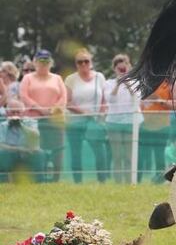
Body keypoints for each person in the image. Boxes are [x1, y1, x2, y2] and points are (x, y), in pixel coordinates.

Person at [18, 50, 66, 180]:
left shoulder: (57, 78)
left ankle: (56, 179)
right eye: (40, 60)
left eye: (46, 61)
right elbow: (24, 95)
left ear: (51, 63)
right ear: (35, 62)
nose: (43, 63)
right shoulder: (28, 78)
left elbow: (63, 97)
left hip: (55, 120)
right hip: (34, 120)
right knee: (37, 149)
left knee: (57, 149)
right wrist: (39, 109)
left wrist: (53, 109)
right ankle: (39, 177)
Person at [65, 48, 109, 183]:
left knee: (100, 152)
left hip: (95, 122)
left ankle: (102, 181)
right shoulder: (71, 79)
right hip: (75, 122)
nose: (83, 64)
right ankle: (78, 181)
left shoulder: (99, 77)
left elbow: (104, 99)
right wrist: (84, 112)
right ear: (76, 64)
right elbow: (67, 102)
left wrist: (101, 114)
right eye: (80, 62)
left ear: (91, 62)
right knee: (76, 153)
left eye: (86, 61)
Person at [105, 54, 141, 184]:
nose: (122, 68)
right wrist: (118, 84)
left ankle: (129, 181)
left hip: (130, 121)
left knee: (128, 155)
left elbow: (137, 99)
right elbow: (110, 100)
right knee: (117, 155)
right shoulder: (109, 83)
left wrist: (128, 85)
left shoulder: (136, 82)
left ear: (129, 67)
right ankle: (118, 182)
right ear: (114, 69)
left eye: (124, 65)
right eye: (118, 66)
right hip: (113, 122)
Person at [0, 99, 45, 182]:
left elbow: (35, 135)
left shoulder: (31, 122)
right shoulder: (2, 126)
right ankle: (3, 183)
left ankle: (40, 183)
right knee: (2, 154)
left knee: (39, 153)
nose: (15, 115)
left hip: (28, 151)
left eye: (18, 112)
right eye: (13, 112)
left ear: (23, 113)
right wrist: (18, 149)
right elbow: (1, 145)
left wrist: (21, 126)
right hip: (11, 152)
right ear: (7, 113)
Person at [140, 79, 175, 182]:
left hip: (162, 126)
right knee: (144, 155)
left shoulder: (170, 84)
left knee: (159, 154)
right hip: (145, 126)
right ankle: (138, 179)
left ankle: (159, 179)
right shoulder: (146, 82)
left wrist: (158, 100)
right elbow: (140, 103)